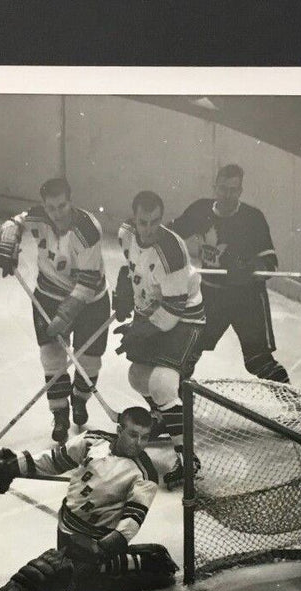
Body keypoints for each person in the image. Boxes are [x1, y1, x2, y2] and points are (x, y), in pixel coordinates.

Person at [0, 406, 178, 591]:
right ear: (119, 430)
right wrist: (13, 466)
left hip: (93, 541)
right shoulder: (92, 441)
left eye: (145, 437)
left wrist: (103, 548)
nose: (139, 443)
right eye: (133, 435)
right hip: (66, 528)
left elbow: (132, 519)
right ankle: (126, 565)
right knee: (65, 579)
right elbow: (53, 461)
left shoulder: (144, 474)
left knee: (53, 573)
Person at [0, 177, 110, 444]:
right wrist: (9, 238)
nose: (58, 213)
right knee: (51, 355)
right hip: (48, 295)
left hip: (91, 301)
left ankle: (80, 399)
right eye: (52, 207)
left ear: (71, 201)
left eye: (63, 206)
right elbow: (14, 222)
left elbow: (88, 282)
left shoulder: (88, 230)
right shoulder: (39, 217)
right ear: (45, 205)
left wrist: (65, 316)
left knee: (89, 360)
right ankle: (60, 414)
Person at [112, 190, 205, 490]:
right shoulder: (126, 234)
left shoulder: (173, 252)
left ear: (161, 219)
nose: (148, 229)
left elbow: (173, 311)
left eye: (154, 222)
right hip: (154, 311)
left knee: (162, 383)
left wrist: (137, 330)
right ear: (134, 219)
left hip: (184, 317)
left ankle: (188, 459)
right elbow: (130, 268)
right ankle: (167, 414)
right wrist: (124, 292)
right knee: (138, 377)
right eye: (143, 222)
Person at [171, 164, 290, 383]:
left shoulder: (253, 218)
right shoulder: (200, 210)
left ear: (241, 191)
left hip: (247, 299)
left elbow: (269, 263)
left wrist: (255, 267)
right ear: (214, 187)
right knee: (186, 352)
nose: (227, 195)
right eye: (223, 189)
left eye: (233, 190)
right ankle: (177, 406)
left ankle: (297, 409)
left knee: (258, 361)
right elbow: (171, 236)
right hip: (209, 295)